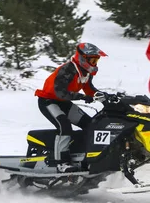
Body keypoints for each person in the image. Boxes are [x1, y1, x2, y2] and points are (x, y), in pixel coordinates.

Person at [35, 42, 108, 172]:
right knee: (64, 126)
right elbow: (60, 92)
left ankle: (84, 157)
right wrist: (81, 97)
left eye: (96, 60)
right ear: (82, 58)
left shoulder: (85, 72)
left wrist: (103, 96)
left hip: (64, 103)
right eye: (92, 59)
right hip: (49, 101)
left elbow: (88, 88)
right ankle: (61, 163)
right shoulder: (68, 69)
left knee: (90, 124)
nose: (95, 63)